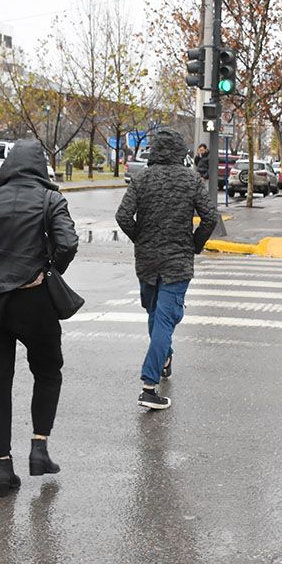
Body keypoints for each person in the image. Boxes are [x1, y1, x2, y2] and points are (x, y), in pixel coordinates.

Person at [0, 140, 79, 497]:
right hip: (35, 299)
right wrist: (48, 270)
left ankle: (3, 467)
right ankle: (39, 448)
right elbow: (68, 243)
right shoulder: (50, 199)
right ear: (40, 167)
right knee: (47, 371)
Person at [116, 128, 219, 410]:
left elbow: (122, 215)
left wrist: (140, 236)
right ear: (179, 152)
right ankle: (149, 386)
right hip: (177, 261)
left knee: (155, 314)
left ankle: (165, 357)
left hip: (147, 261)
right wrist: (194, 244)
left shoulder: (141, 179)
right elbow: (210, 217)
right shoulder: (191, 180)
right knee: (164, 319)